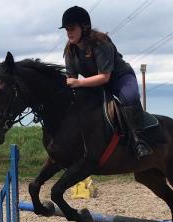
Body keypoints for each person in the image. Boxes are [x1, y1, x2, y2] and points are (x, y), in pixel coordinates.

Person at [60, 5, 152, 159]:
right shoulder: (70, 50)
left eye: (72, 28)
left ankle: (139, 141)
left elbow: (104, 77)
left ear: (84, 27)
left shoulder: (100, 43)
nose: (69, 32)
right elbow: (71, 79)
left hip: (119, 78)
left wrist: (79, 83)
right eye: (66, 29)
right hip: (94, 83)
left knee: (130, 97)